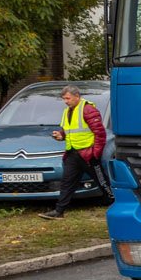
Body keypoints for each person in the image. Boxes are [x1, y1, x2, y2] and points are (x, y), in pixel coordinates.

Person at [40, 85, 112, 219]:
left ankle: (115, 203)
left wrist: (95, 153)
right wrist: (61, 135)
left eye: (68, 98)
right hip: (72, 153)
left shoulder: (88, 110)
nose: (66, 101)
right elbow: (71, 131)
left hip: (88, 155)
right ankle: (59, 211)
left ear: (77, 96)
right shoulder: (68, 111)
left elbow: (100, 133)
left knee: (102, 181)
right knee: (67, 183)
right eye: (64, 99)